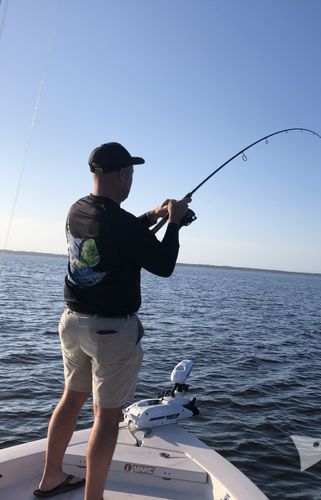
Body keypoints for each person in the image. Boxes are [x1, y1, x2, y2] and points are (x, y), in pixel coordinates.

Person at [34, 142, 191, 499]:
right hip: (110, 332)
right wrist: (176, 224)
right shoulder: (121, 224)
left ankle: (50, 478)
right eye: (131, 173)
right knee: (106, 419)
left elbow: (119, 232)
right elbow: (164, 265)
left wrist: (155, 214)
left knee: (70, 400)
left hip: (72, 323)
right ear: (123, 174)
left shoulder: (77, 210)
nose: (131, 179)